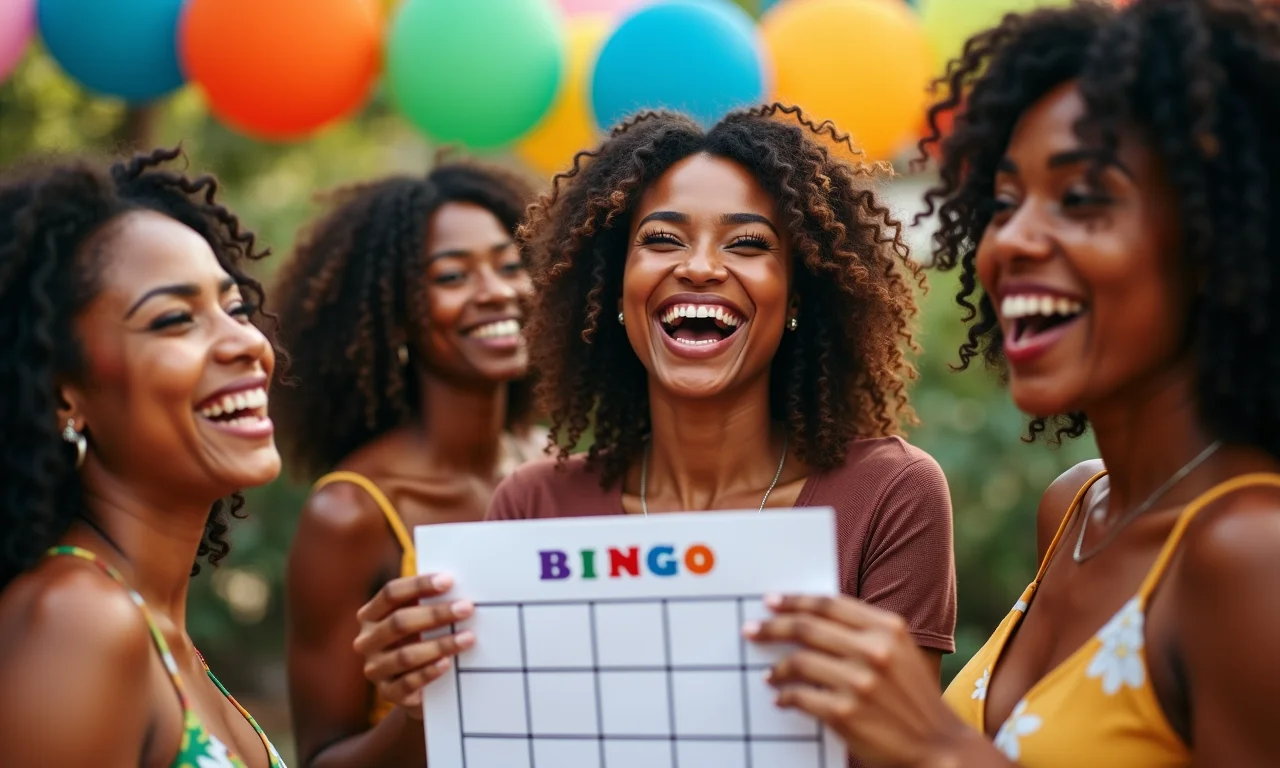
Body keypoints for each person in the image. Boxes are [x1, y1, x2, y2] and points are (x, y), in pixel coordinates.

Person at [704, 1, 1280, 766]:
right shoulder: (1074, 507)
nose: (1012, 240)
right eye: (1005, 203)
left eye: (1081, 199)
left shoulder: (1249, 551)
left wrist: (942, 749)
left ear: (1217, 241)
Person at [349, 103, 959, 764]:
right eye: (663, 240)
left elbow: (907, 752)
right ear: (613, 287)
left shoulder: (891, 493)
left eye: (747, 243)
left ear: (800, 296)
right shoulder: (530, 506)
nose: (698, 267)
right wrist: (425, 700)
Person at [0, 147, 287, 767]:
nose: (245, 342)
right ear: (61, 394)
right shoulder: (77, 624)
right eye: (175, 320)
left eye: (234, 308)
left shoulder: (159, 635)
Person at [275, 159, 547, 767]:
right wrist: (420, 711)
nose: (498, 291)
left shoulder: (555, 469)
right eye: (452, 276)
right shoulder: (350, 513)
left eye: (509, 265)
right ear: (394, 315)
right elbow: (319, 758)